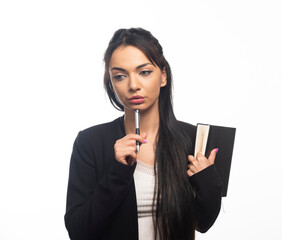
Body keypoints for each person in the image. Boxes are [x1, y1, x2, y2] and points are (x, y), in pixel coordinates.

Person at [64, 28, 222, 240]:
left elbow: (202, 223)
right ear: (111, 83)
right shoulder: (90, 142)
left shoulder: (193, 138)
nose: (133, 85)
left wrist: (208, 181)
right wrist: (118, 171)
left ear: (163, 76)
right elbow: (79, 231)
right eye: (120, 76)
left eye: (144, 72)